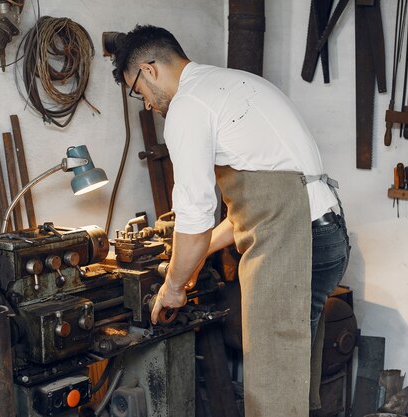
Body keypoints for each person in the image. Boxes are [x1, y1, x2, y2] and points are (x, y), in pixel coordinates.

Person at [112, 25, 350, 417]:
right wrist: (190, 255)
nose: (148, 105)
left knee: (274, 374)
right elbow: (258, 211)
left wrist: (172, 286)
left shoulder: (188, 106)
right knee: (291, 365)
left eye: (139, 91)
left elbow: (195, 213)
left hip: (296, 239)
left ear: (150, 69)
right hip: (324, 233)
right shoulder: (232, 83)